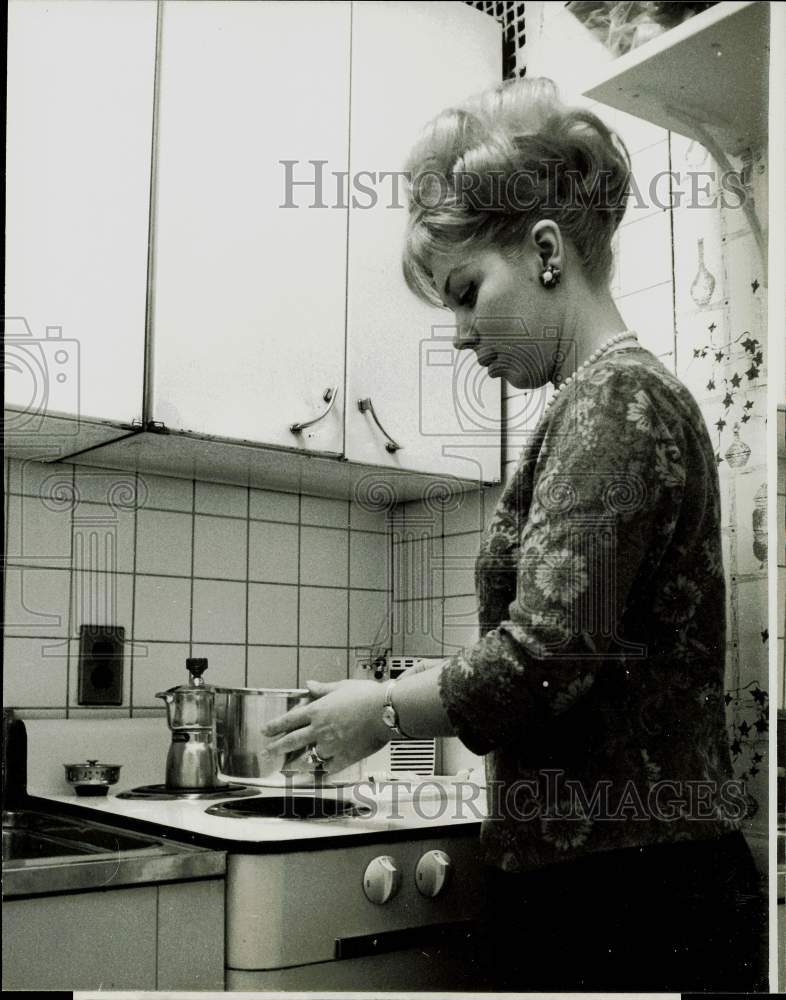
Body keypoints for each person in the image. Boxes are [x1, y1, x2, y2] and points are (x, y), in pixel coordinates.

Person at [264, 77, 766, 991]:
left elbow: (544, 653)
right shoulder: (592, 404)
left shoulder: (619, 400)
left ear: (543, 252)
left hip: (632, 892)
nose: (458, 335)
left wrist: (377, 711)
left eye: (465, 293)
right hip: (612, 878)